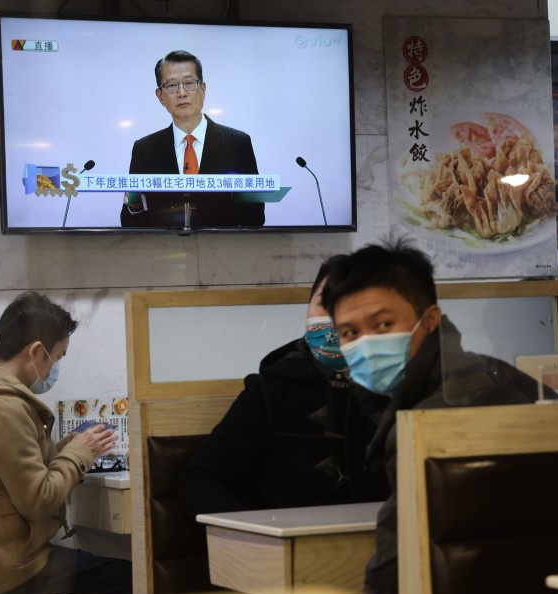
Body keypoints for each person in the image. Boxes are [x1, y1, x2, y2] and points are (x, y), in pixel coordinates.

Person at [320, 240, 549, 594]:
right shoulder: (495, 373)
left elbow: (396, 565)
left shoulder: (433, 419)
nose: (366, 344)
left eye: (383, 324)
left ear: (430, 320)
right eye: (349, 333)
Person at [0, 292, 132, 594]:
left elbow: (4, 475)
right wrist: (79, 454)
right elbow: (38, 499)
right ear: (35, 351)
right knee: (135, 579)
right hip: (6, 574)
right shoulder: (2, 408)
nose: (54, 369)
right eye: (57, 357)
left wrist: (67, 448)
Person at [178, 256, 388, 517]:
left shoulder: (401, 389)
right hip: (290, 550)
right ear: (308, 307)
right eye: (327, 304)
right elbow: (200, 480)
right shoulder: (270, 389)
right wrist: (255, 539)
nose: (336, 318)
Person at [120, 50, 264, 228]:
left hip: (222, 249)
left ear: (203, 89)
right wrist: (134, 206)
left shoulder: (238, 142)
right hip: (164, 250)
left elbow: (256, 216)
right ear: (160, 96)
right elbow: (129, 222)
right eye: (172, 85)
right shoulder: (145, 148)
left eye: (189, 83)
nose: (182, 93)